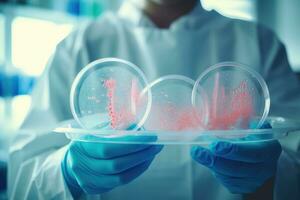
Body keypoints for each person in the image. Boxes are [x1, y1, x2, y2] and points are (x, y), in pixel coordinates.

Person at [8, 0, 300, 199]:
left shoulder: (259, 42)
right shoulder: (77, 47)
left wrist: (271, 178)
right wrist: (67, 172)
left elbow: (295, 155)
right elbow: (22, 179)